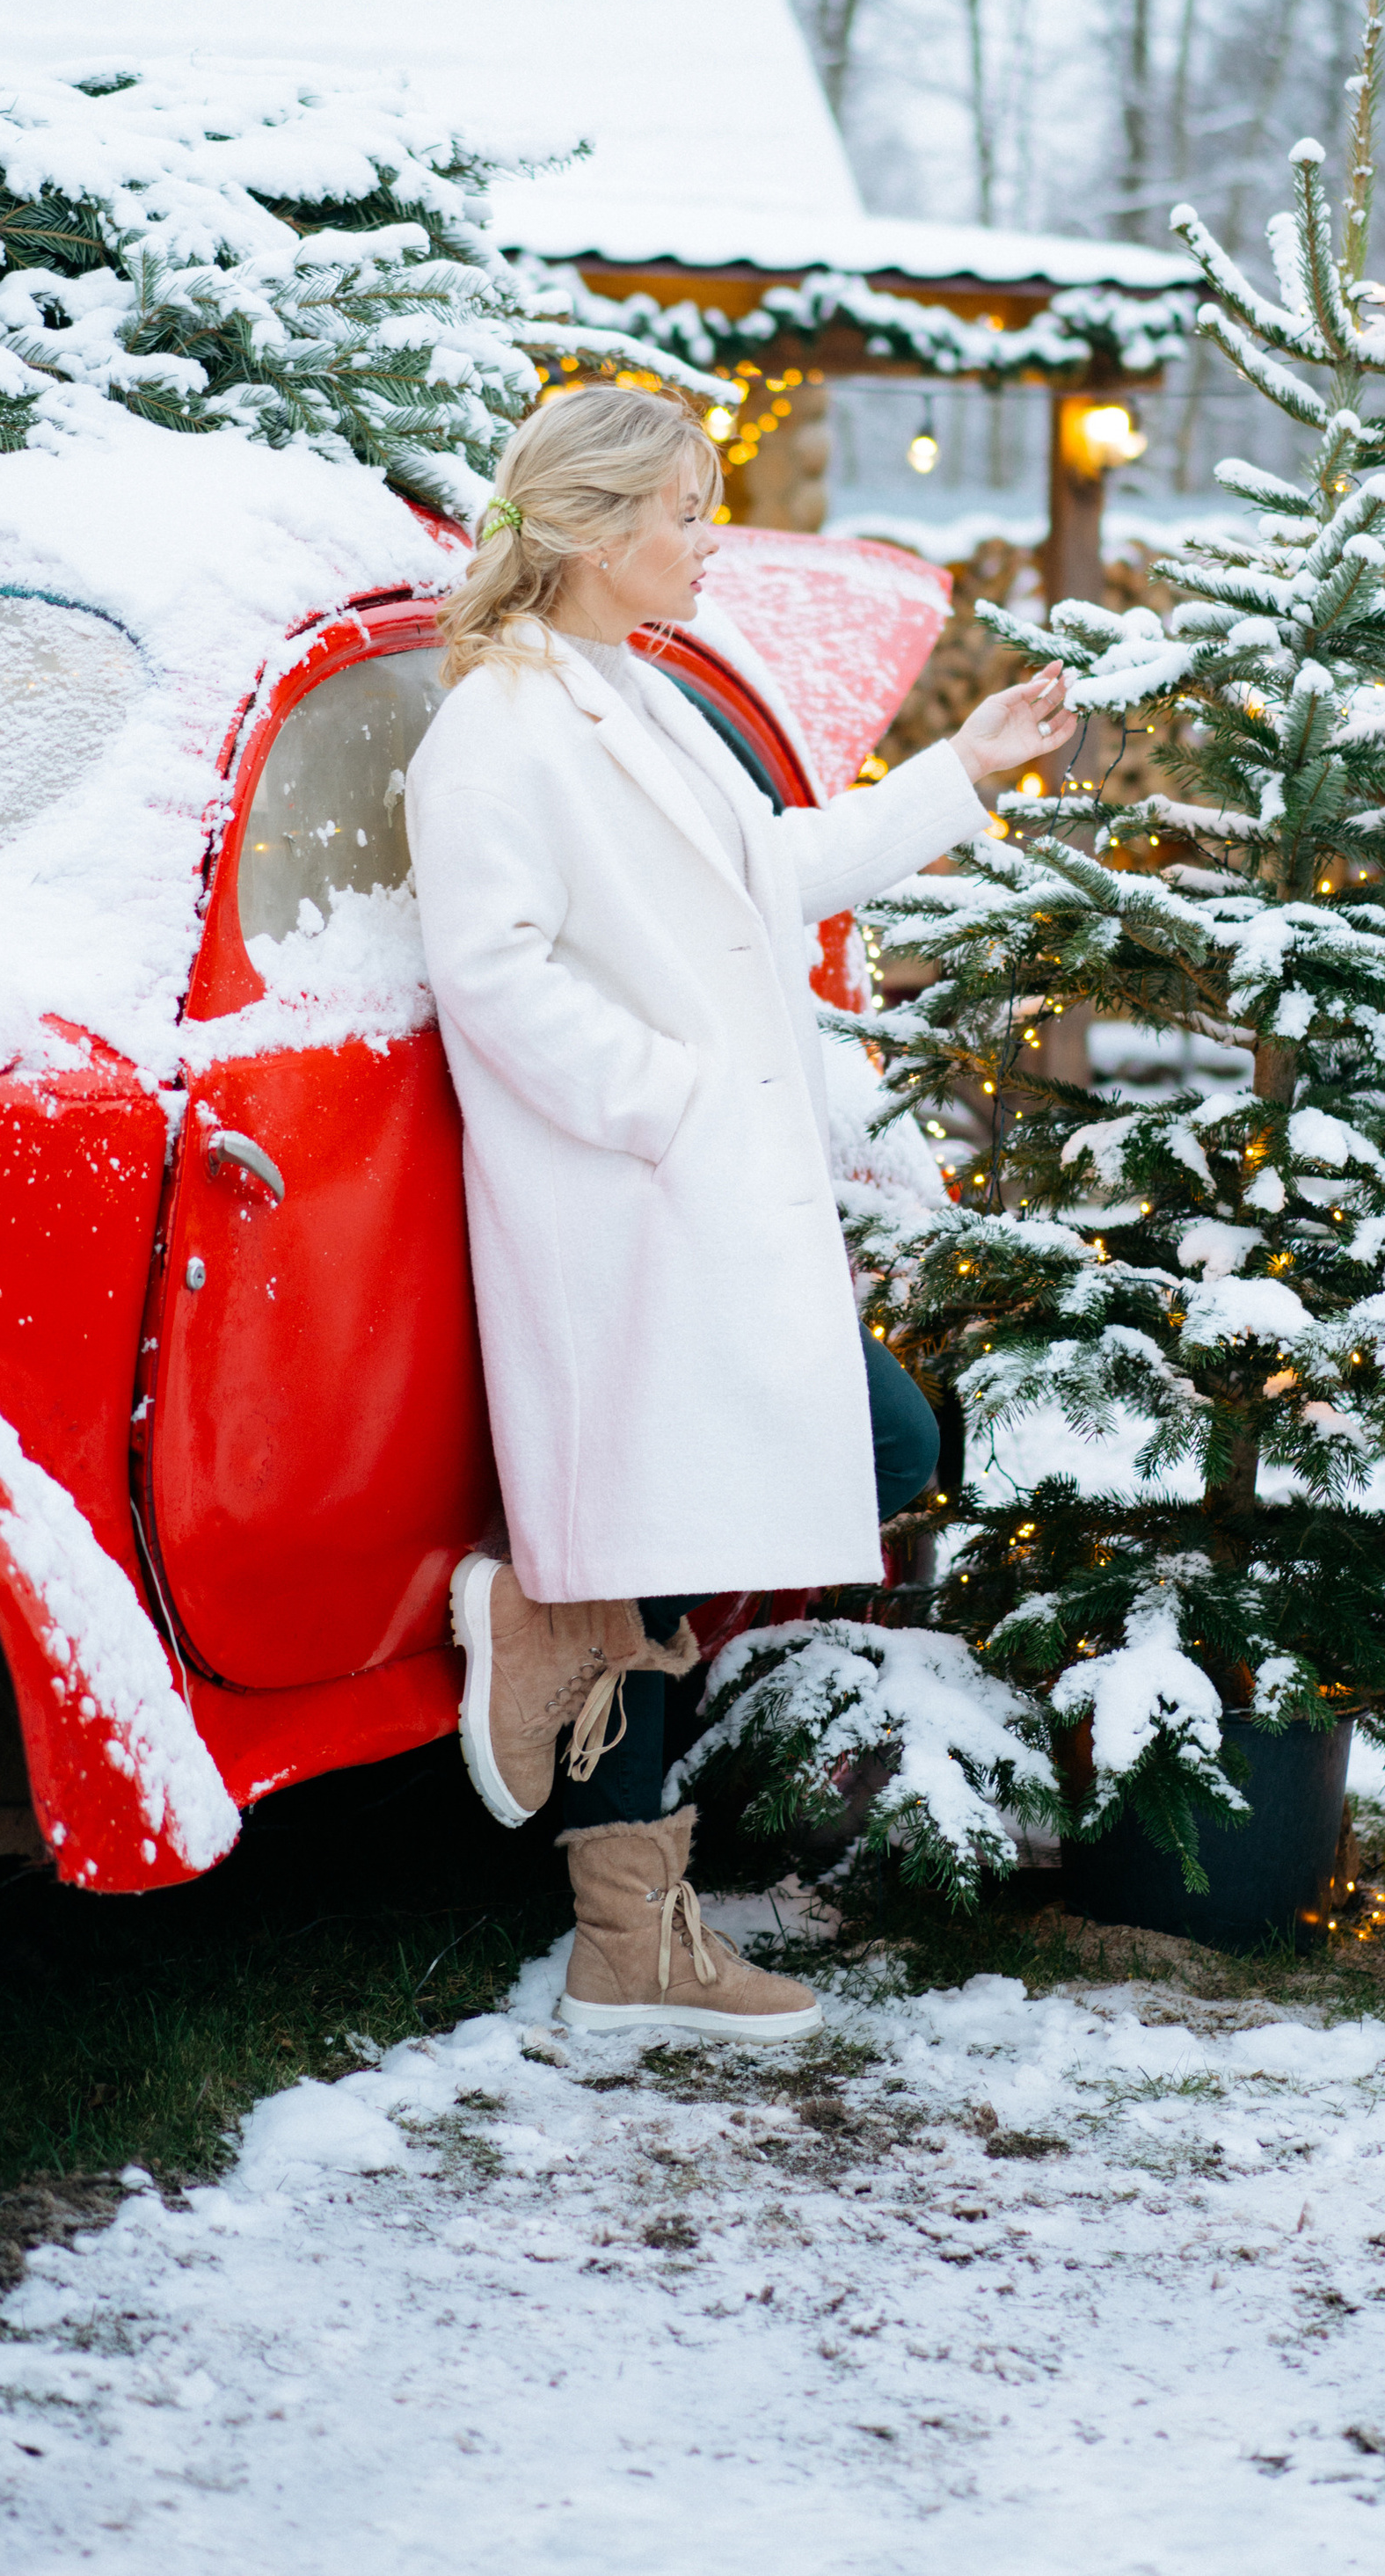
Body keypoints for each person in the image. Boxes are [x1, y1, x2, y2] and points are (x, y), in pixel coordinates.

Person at [409, 385, 1071, 2038]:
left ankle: (580, 1717)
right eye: (686, 510)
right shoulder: (496, 725)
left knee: (797, 1486)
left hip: (698, 1205)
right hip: (628, 1208)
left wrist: (958, 774)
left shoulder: (633, 690)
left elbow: (762, 871)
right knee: (759, 1494)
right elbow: (489, 969)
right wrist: (669, 1103)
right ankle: (626, 1930)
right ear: (589, 527)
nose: (708, 538)